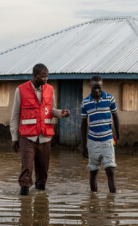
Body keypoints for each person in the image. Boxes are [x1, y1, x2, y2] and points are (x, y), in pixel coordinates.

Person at [10, 63, 70, 196]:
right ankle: (24, 201)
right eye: (43, 77)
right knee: (27, 168)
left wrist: (61, 113)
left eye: (47, 77)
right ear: (35, 76)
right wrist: (14, 137)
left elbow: (51, 110)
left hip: (45, 136)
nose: (46, 79)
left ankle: (41, 202)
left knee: (43, 170)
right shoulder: (21, 90)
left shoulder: (50, 89)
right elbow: (15, 115)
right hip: (27, 137)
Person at [81, 75, 120, 193]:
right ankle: (93, 199)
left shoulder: (110, 99)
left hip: (108, 140)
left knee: (110, 170)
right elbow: (83, 124)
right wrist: (83, 145)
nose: (97, 90)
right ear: (90, 86)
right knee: (93, 171)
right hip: (92, 142)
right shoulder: (85, 102)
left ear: (102, 86)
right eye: (94, 88)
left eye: (99, 88)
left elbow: (115, 116)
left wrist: (118, 135)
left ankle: (112, 200)